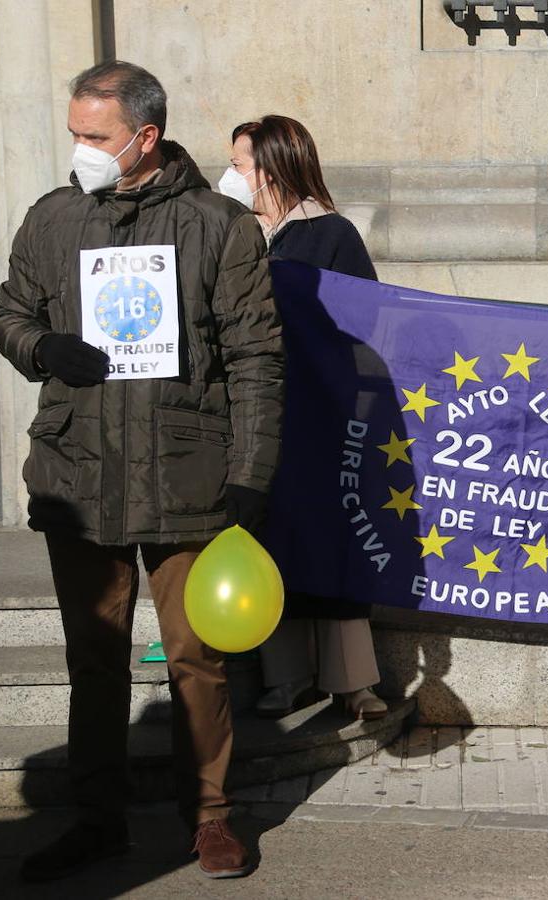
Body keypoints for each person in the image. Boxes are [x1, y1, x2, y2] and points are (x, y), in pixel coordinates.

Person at [0, 61, 281, 881]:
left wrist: (252, 474)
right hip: (79, 474)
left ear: (144, 138)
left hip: (189, 477)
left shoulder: (220, 226)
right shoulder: (52, 220)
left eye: (97, 136)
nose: (80, 149)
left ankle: (213, 817)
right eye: (76, 132)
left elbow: (258, 359)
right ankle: (97, 822)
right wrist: (43, 346)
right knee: (95, 661)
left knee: (197, 659)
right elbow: (9, 313)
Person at [218, 114, 388, 721]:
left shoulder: (331, 233)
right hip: (253, 417)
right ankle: (285, 678)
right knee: (270, 537)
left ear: (271, 167)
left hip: (323, 417)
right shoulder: (228, 232)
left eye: (238, 164)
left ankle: (354, 681)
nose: (230, 174)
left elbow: (366, 318)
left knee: (334, 539)